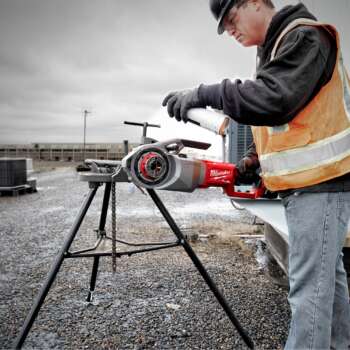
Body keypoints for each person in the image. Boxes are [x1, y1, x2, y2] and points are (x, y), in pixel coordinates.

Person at [162, 0, 350, 349]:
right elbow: (286, 122)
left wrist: (202, 93)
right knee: (328, 282)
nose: (230, 31)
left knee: (310, 292)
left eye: (231, 19)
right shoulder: (278, 51)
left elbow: (273, 100)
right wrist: (252, 160)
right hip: (310, 187)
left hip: (321, 185)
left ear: (253, 2)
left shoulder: (305, 38)